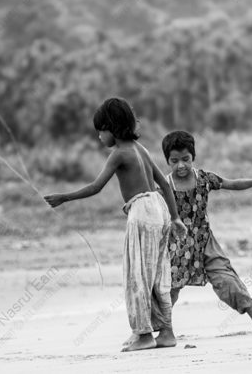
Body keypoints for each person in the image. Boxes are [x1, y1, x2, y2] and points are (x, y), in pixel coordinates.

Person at [44, 98, 187, 352]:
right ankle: (166, 333)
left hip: (142, 212)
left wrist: (63, 197)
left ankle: (144, 335)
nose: (99, 136)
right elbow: (165, 185)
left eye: (101, 130)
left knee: (138, 278)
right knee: (157, 276)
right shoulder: (140, 149)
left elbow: (96, 187)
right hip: (159, 208)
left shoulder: (119, 153)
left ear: (113, 127)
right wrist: (175, 218)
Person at [161, 130, 252, 333]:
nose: (181, 165)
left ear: (193, 157)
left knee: (227, 280)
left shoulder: (205, 178)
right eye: (175, 160)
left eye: (186, 159)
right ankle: (164, 332)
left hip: (206, 243)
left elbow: (231, 183)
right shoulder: (163, 186)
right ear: (168, 161)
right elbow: (149, 205)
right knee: (169, 289)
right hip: (176, 245)